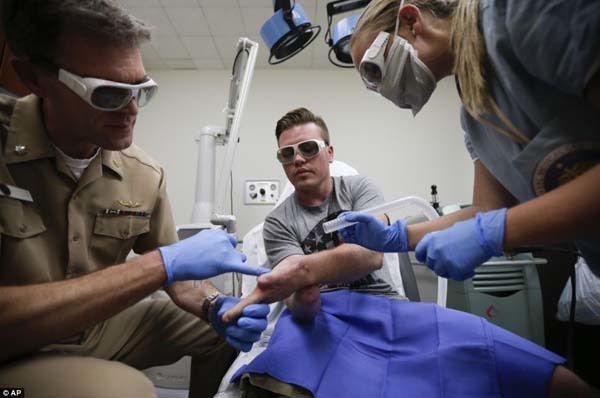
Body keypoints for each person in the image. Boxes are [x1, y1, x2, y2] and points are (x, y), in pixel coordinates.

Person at [223, 108, 596, 398]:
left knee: (486, 346)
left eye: (308, 148)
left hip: (383, 303)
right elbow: (298, 290)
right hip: (322, 314)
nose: (299, 159)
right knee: (296, 370)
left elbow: (369, 256)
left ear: (330, 152)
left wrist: (304, 270)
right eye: (287, 154)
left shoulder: (358, 189)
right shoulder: (276, 224)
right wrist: (302, 296)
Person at [0, 1, 269, 397]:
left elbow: (183, 281)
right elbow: (165, 265)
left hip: (98, 328)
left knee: (224, 333)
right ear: (35, 78)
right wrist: (161, 266)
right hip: (17, 345)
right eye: (108, 93)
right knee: (125, 390)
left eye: (141, 92)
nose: (130, 110)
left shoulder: (143, 174)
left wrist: (215, 305)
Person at [335, 0, 600, 387]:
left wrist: (496, 231)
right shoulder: (475, 115)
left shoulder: (521, 14)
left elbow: (492, 223)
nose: (381, 89)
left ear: (411, 21)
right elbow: (486, 210)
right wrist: (399, 237)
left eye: (374, 69)